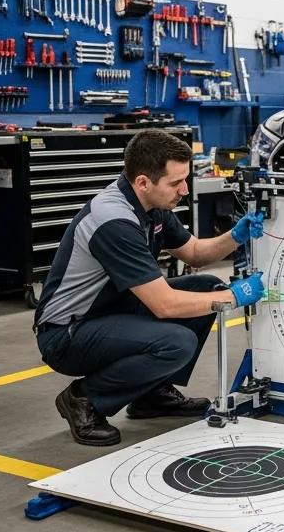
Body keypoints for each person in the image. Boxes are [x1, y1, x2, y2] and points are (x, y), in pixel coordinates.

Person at [34, 129, 265, 446]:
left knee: (206, 286)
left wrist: (235, 236)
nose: (184, 190)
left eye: (184, 180)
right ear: (143, 182)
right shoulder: (114, 220)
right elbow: (164, 305)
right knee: (177, 342)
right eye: (175, 183)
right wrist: (235, 296)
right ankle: (84, 399)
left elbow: (195, 252)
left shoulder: (152, 207)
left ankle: (151, 394)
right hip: (67, 333)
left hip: (109, 310)